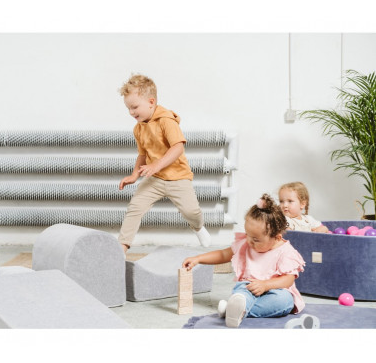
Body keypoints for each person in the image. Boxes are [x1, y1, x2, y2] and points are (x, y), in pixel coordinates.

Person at [117, 73, 211, 252]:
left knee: (191, 212)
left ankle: (198, 227)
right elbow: (142, 155)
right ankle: (121, 247)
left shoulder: (166, 121)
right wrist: (134, 175)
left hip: (178, 177)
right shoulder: (138, 128)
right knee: (135, 207)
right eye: (128, 108)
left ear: (151, 102)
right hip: (155, 179)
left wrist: (156, 165)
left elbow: (178, 147)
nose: (131, 112)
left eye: (135, 107)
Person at [182, 194, 305, 328]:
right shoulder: (246, 243)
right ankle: (237, 308)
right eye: (247, 235)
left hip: (276, 290)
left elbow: (288, 280)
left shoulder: (286, 252)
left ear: (276, 237)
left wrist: (265, 285)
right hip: (249, 287)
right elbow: (223, 254)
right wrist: (198, 259)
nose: (249, 241)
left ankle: (230, 310)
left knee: (284, 301)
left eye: (256, 239)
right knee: (242, 292)